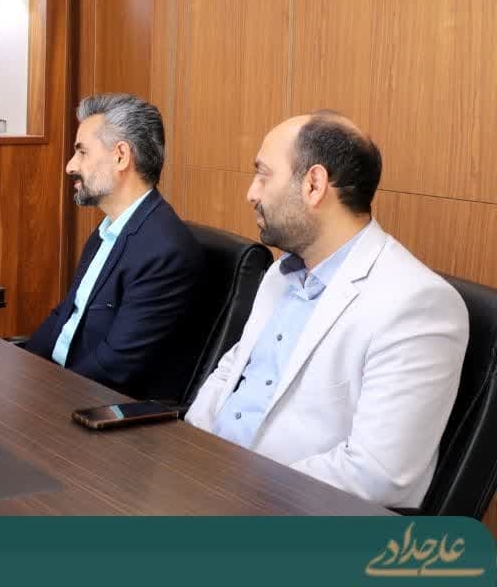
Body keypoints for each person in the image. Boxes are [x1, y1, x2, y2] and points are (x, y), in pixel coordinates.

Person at [186, 112, 467, 509]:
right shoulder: (281, 274)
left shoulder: (417, 303)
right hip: (205, 485)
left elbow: (379, 475)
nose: (252, 192)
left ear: (314, 185)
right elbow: (231, 372)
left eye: (263, 175)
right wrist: (191, 455)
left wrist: (238, 487)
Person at [23, 94, 201, 399]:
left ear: (120, 156)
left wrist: (43, 395)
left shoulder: (165, 251)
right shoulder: (107, 231)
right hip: (60, 388)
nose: (70, 166)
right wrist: (21, 371)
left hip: (96, 408)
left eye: (82, 152)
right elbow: (66, 315)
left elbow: (114, 366)